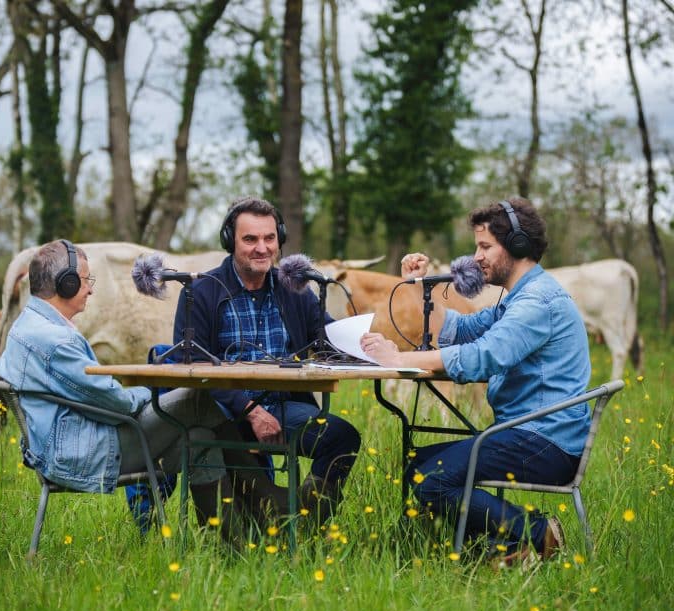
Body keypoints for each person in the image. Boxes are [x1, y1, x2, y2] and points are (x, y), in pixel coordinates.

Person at [361, 198, 591, 563]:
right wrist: (420, 286)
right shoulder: (516, 299)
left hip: (545, 443)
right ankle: (490, 548)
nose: (476, 256)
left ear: (517, 245)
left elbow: (483, 356)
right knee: (417, 464)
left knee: (433, 479)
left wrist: (398, 359)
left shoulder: (537, 303)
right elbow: (459, 331)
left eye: (485, 246)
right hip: (523, 434)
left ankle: (536, 533)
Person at [0, 240, 242, 539]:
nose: (90, 289)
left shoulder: (27, 325)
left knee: (201, 439)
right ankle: (271, 496)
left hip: (65, 443)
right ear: (66, 283)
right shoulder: (56, 341)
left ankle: (229, 545)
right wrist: (157, 393)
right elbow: (117, 405)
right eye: (87, 280)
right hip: (83, 451)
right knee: (198, 398)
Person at [173, 196, 361, 525]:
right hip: (227, 413)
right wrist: (251, 412)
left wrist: (365, 341)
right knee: (246, 507)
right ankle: (253, 525)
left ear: (280, 240)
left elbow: (328, 339)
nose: (262, 248)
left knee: (342, 437)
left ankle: (304, 519)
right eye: (250, 239)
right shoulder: (200, 292)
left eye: (269, 238)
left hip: (285, 409)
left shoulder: (296, 289)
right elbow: (190, 365)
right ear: (230, 241)